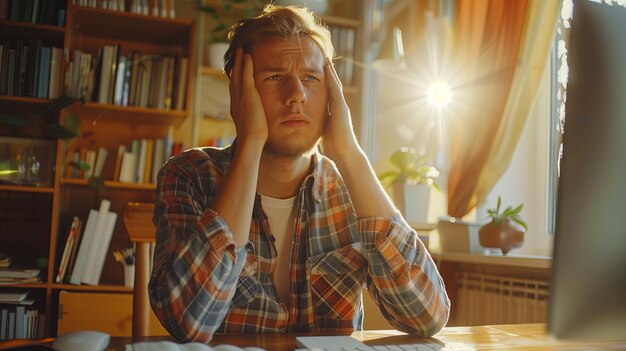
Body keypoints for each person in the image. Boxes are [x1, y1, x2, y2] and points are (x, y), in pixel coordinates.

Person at [149, 4, 450, 343]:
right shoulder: (188, 175)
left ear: (331, 95)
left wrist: (350, 153)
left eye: (311, 78)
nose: (297, 96)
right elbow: (189, 322)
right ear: (239, 91)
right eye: (275, 77)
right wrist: (250, 142)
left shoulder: (351, 187)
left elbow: (427, 317)